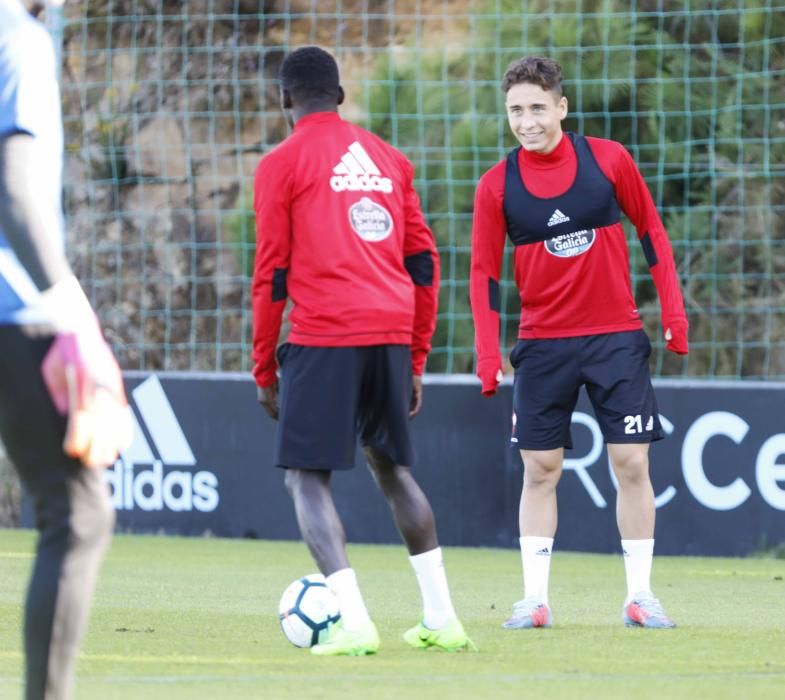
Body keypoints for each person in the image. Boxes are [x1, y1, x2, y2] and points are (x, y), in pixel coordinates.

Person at [252, 46, 473, 656]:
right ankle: (442, 619)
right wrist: (417, 356)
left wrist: (264, 364)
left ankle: (353, 622)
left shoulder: (281, 163)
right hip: (391, 333)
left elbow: (271, 272)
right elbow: (424, 263)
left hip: (325, 333)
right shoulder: (389, 160)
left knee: (306, 477)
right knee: (392, 468)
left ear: (284, 99)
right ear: (342, 96)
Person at [470, 56, 688, 630]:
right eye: (516, 110)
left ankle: (640, 597)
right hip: (543, 344)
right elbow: (483, 275)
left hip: (616, 336)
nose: (527, 121)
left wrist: (675, 314)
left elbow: (652, 232)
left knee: (631, 462)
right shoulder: (497, 185)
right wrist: (488, 355)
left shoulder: (608, 160)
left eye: (538, 108)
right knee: (540, 469)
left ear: (561, 107)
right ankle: (534, 601)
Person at [0, 1, 133, 698]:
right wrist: (71, 312)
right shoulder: (16, 37)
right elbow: (17, 193)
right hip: (14, 311)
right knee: (78, 514)